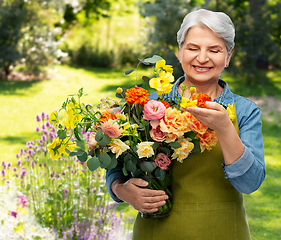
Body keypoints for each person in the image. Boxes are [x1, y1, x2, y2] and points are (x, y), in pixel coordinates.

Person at [106, 9, 265, 239]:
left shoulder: (244, 111)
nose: (202, 58)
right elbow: (115, 165)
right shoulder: (148, 105)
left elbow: (250, 184)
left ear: (228, 56)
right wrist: (121, 190)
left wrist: (224, 128)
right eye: (193, 48)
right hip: (156, 232)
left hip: (224, 232)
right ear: (180, 52)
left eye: (214, 50)